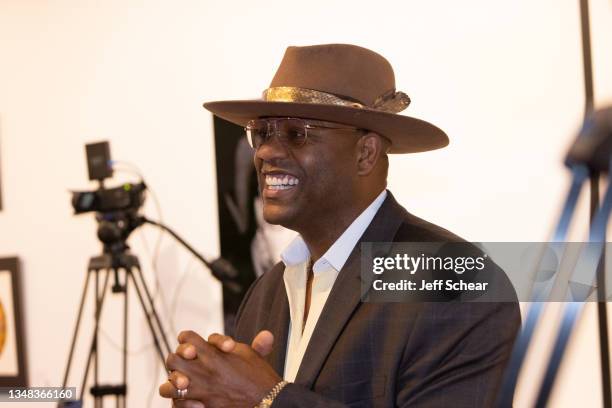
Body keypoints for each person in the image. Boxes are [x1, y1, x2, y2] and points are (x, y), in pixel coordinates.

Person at [159, 44, 520, 407]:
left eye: (297, 133)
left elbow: (267, 398)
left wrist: (266, 398)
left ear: (365, 153)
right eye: (263, 133)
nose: (266, 152)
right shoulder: (265, 294)